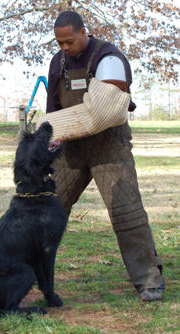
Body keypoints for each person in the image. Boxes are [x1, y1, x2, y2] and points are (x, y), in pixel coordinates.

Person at [46, 10, 165, 301]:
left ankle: (149, 279)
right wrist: (49, 141)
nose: (65, 48)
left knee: (126, 212)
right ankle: (25, 275)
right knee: (46, 210)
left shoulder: (108, 57)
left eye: (70, 41)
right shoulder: (57, 62)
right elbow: (54, 109)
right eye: (60, 43)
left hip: (108, 145)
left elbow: (107, 110)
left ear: (84, 32)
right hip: (71, 146)